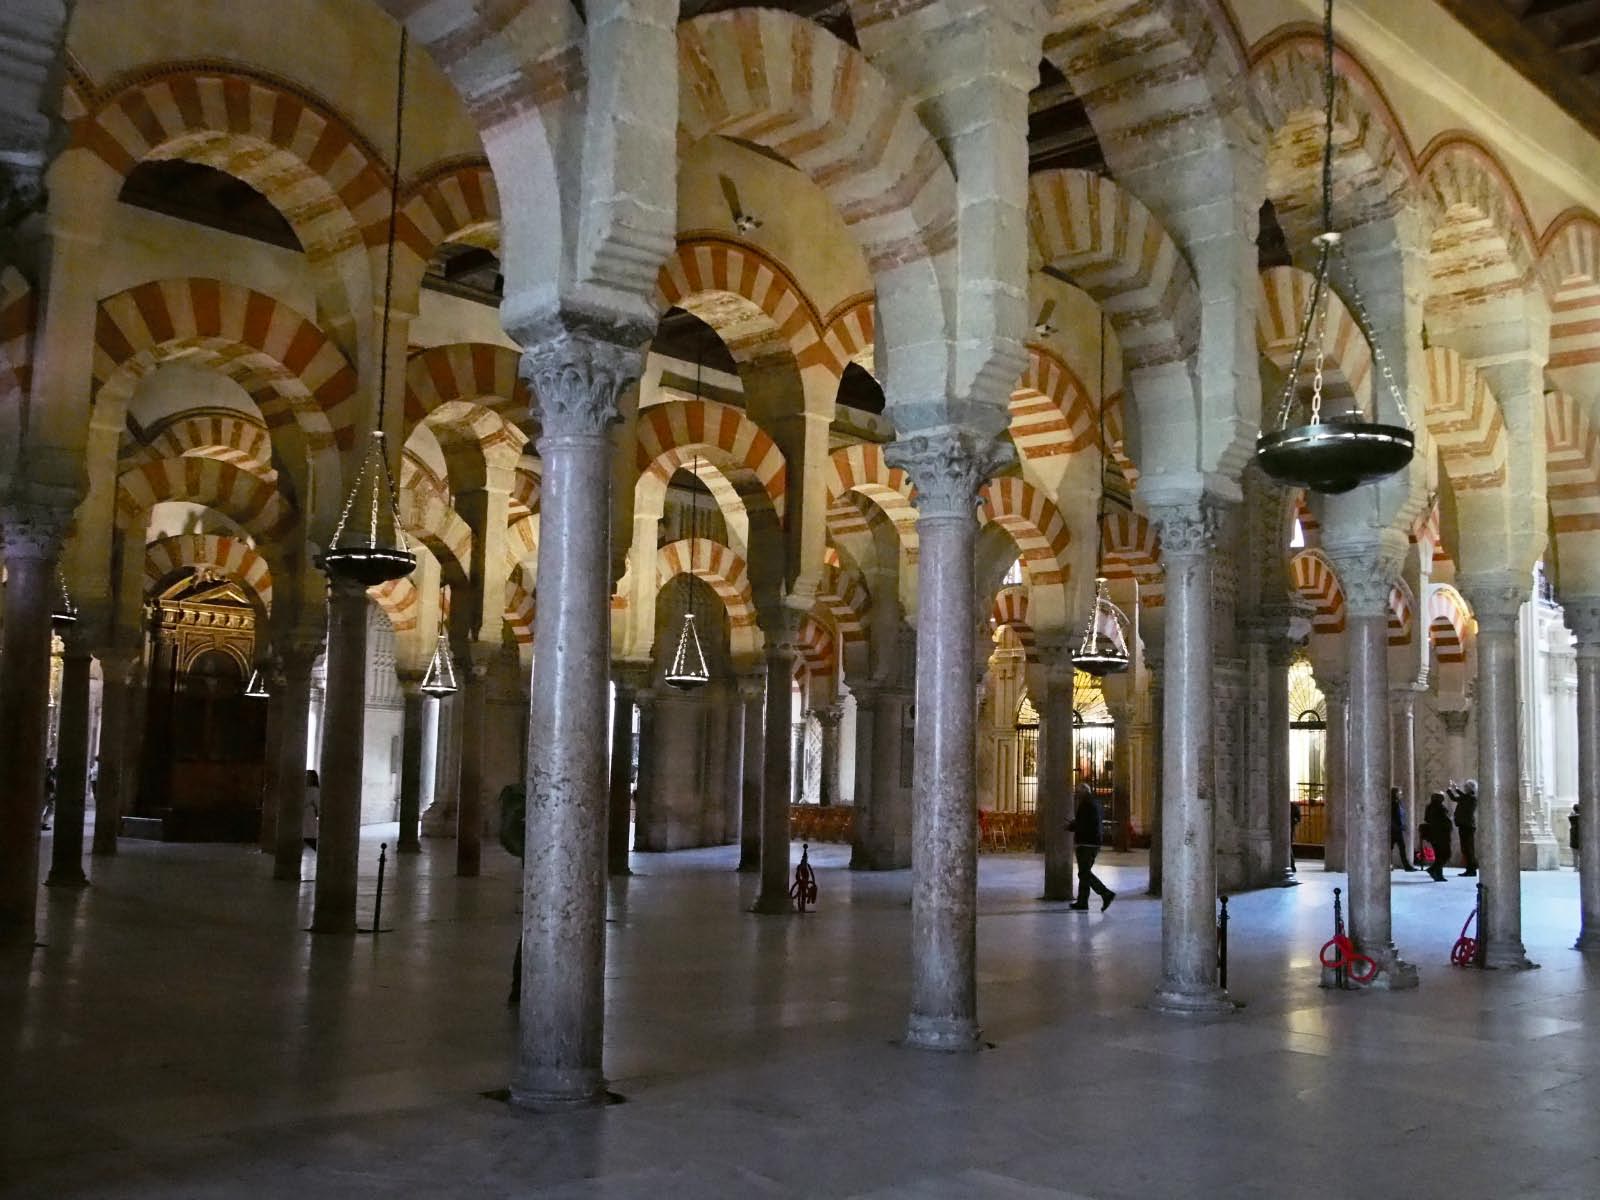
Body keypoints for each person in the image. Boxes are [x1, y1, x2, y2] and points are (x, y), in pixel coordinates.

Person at [1067, 782, 1115, 912]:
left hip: (1086, 843)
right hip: (1094, 842)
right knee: (1084, 872)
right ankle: (1082, 901)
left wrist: (1071, 826)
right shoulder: (1096, 803)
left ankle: (1106, 893)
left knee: (1084, 873)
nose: (1076, 794)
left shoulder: (1085, 804)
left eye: (1077, 791)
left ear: (1083, 792)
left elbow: (1082, 824)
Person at [1422, 791, 1453, 883]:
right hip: (1442, 835)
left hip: (1433, 834)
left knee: (1439, 855)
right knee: (1446, 854)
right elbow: (1445, 822)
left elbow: (1426, 819)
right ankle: (1433, 869)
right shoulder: (1441, 808)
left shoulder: (1429, 807)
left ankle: (1439, 875)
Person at [1449, 779, 1478, 877]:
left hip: (1468, 826)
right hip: (1464, 825)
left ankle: (1471, 869)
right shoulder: (1467, 797)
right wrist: (1453, 789)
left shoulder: (1471, 798)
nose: (1464, 788)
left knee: (1468, 848)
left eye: (1466, 787)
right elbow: (1457, 797)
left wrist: (1454, 789)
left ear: (1470, 788)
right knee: (1466, 848)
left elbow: (1459, 798)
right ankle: (1470, 869)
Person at [1390, 788, 1415, 871]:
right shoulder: (1393, 803)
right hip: (1394, 829)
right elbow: (1392, 817)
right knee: (1392, 847)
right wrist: (1397, 826)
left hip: (1398, 828)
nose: (1401, 794)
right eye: (1399, 793)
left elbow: (1400, 815)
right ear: (1395, 794)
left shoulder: (1398, 803)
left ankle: (1406, 866)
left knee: (1400, 847)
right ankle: (1405, 866)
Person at [302, 769, 320, 850]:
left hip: (309, 819)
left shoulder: (314, 790)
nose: (305, 777)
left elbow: (318, 806)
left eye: (307, 776)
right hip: (305, 820)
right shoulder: (306, 789)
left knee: (311, 840)